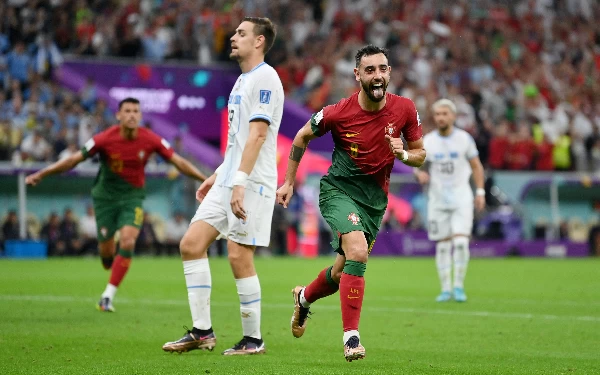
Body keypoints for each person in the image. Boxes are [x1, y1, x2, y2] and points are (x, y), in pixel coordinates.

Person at [276, 45, 426, 362]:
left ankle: (303, 298)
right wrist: (289, 180)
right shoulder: (337, 112)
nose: (377, 75)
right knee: (357, 251)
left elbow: (420, 155)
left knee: (343, 269)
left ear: (390, 73)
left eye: (382, 68)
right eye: (369, 70)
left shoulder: (405, 109)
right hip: (338, 191)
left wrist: (402, 155)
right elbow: (302, 136)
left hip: (374, 202)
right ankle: (351, 337)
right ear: (357, 75)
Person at [161, 17, 283, 356]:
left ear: (259, 41)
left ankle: (253, 339)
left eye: (241, 33)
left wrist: (240, 182)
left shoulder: (265, 78)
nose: (233, 37)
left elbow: (258, 136)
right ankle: (202, 332)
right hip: (230, 177)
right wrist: (220, 173)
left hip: (253, 181)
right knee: (191, 244)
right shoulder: (242, 80)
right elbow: (238, 140)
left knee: (238, 255)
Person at [25, 97, 207, 312]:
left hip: (133, 197)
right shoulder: (104, 139)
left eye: (135, 111)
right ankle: (110, 264)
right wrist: (42, 173)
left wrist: (205, 179)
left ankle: (107, 296)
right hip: (105, 199)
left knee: (128, 241)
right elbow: (73, 159)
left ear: (140, 116)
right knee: (106, 256)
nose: (131, 114)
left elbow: (178, 161)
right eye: (127, 111)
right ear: (119, 115)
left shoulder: (150, 139)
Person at [414, 98, 485, 303]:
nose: (441, 117)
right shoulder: (428, 141)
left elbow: (477, 166)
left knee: (461, 242)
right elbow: (417, 164)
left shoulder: (464, 139)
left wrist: (480, 191)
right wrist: (419, 174)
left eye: (445, 113)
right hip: (437, 200)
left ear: (453, 116)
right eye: (437, 114)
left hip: (462, 197)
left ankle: (459, 286)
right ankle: (445, 289)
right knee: (443, 246)